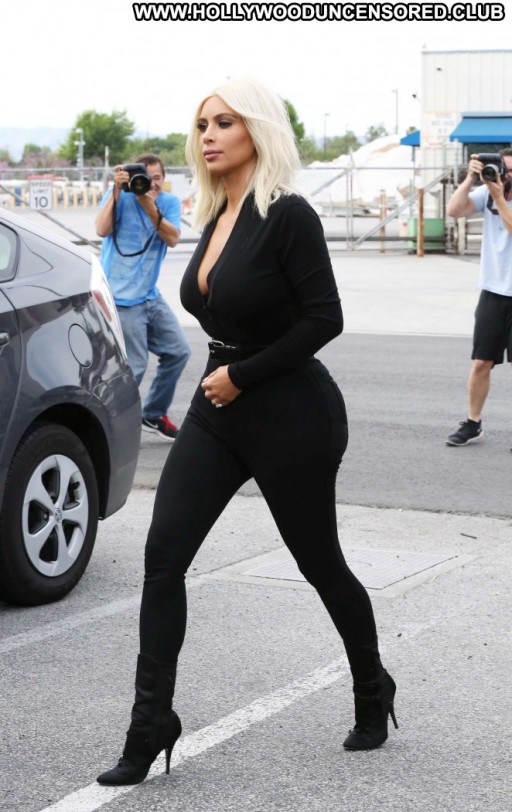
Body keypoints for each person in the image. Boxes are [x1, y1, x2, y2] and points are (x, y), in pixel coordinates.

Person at [96, 78, 398, 787]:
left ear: (257, 130)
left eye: (225, 122)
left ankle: (371, 685)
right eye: (203, 124)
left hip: (291, 412)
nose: (208, 135)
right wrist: (228, 378)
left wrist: (244, 375)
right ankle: (150, 724)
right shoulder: (218, 212)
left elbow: (325, 318)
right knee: (163, 557)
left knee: (319, 562)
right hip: (219, 403)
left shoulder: (287, 214)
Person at [96, 153, 190, 440]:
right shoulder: (120, 197)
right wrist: (116, 190)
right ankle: (109, 428)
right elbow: (101, 229)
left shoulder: (168, 202)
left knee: (178, 351)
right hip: (121, 298)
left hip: (150, 296)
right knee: (134, 366)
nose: (151, 183)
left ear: (163, 178)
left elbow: (172, 238)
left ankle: (153, 413)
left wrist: (148, 202)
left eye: (157, 178)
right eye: (145, 178)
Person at [446, 149, 512, 448]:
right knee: (481, 362)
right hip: (493, 292)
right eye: (502, 168)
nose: (505, 175)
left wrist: (498, 196)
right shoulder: (488, 192)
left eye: (510, 171)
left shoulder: (495, 195)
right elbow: (454, 210)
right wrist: (471, 179)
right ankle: (473, 423)